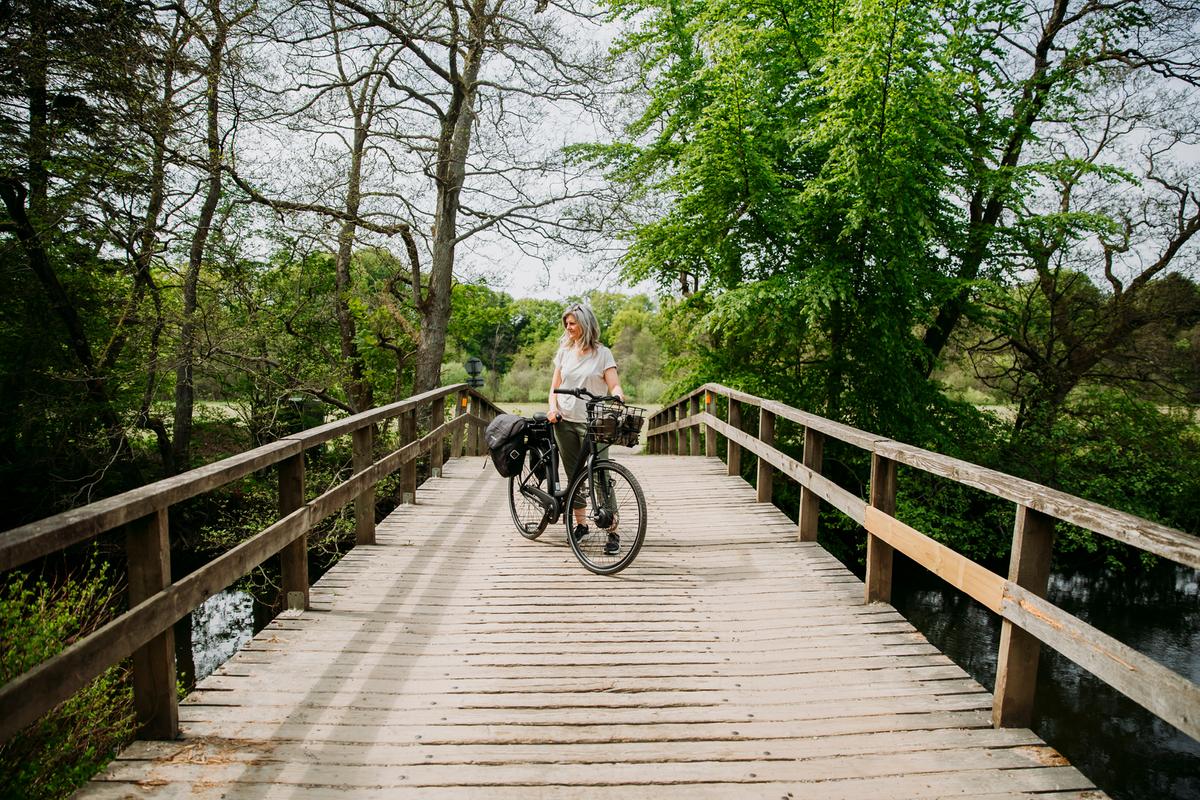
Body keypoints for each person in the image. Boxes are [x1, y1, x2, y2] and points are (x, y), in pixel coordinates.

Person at [547, 302, 624, 555]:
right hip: (565, 421)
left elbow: (613, 385)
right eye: (566, 324)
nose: (568, 328)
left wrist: (618, 395)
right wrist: (552, 408)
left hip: (596, 422)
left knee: (601, 475)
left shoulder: (603, 354)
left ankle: (612, 531)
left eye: (572, 323)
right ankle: (581, 525)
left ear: (586, 324)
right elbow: (554, 387)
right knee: (574, 476)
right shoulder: (564, 352)